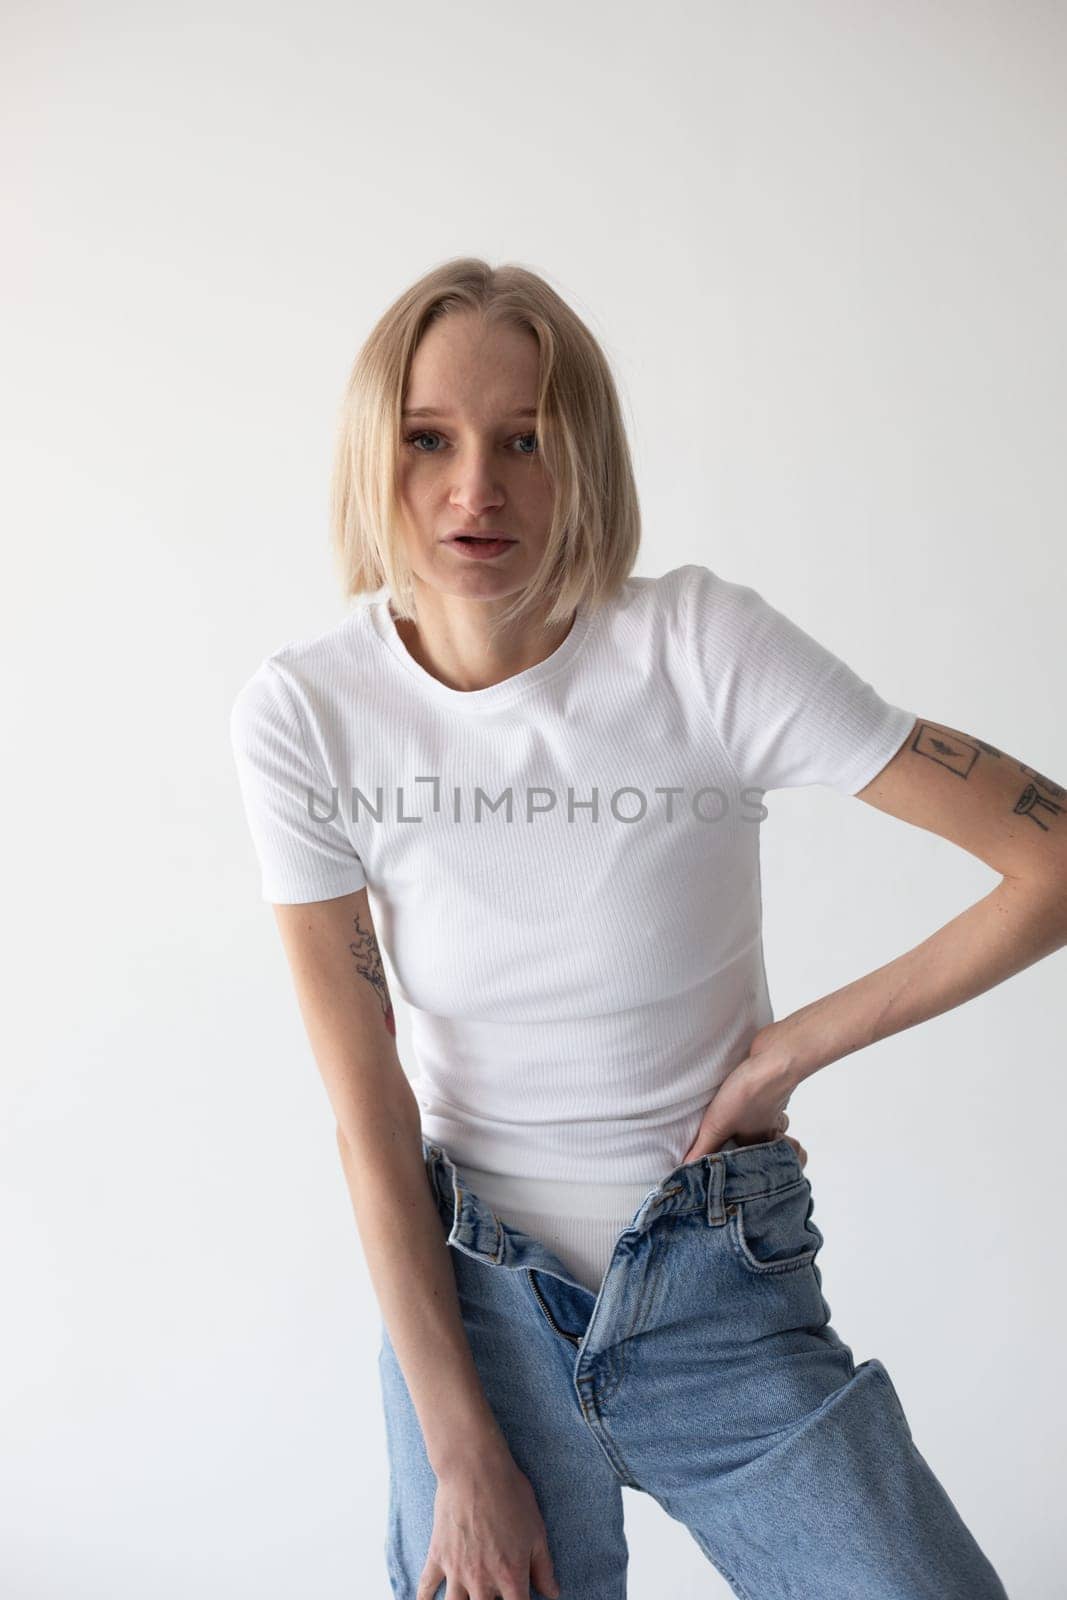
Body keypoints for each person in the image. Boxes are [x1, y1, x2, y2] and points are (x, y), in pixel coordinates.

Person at [229, 258, 1061, 1599]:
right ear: (375, 448)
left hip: (715, 1279)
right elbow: (370, 1111)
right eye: (429, 438)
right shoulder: (307, 712)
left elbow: (1052, 855)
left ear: (585, 457)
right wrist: (461, 1458)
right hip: (473, 1307)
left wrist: (785, 1054)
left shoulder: (700, 648)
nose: (473, 489)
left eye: (524, 440)